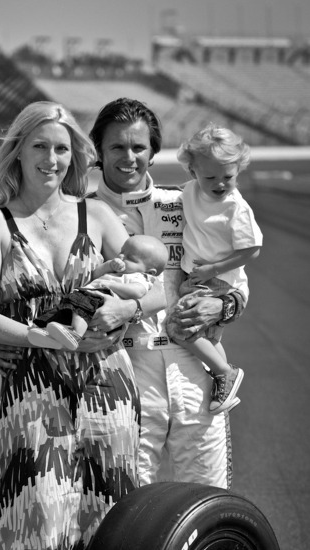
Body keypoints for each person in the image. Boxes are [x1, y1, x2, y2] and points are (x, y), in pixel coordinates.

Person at [0, 101, 163, 550]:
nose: (54, 160)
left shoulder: (96, 213)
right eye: (41, 147)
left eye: (64, 150)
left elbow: (161, 281)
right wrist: (32, 337)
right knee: (37, 525)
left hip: (107, 392)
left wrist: (127, 311)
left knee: (102, 525)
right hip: (33, 393)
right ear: (17, 151)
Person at [83, 97, 250, 488]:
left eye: (138, 147)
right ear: (99, 152)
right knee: (127, 505)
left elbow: (237, 281)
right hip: (123, 369)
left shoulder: (186, 202)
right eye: (117, 147)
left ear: (153, 152)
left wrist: (222, 305)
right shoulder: (80, 214)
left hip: (195, 368)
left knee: (208, 498)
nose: (129, 157)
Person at [165, 124, 262, 414]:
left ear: (238, 169)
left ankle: (224, 372)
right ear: (192, 171)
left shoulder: (235, 207)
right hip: (196, 279)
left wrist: (214, 269)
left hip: (217, 281)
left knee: (178, 327)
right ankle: (224, 378)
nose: (220, 183)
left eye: (228, 177)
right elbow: (175, 196)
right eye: (211, 177)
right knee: (204, 338)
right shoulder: (192, 190)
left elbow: (252, 249)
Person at [27, 233, 168, 350]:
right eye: (121, 252)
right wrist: (108, 266)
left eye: (130, 258)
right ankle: (42, 330)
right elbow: (95, 275)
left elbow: (136, 292)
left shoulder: (142, 277)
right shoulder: (117, 270)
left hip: (104, 299)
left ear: (150, 271)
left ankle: (75, 333)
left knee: (82, 308)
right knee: (65, 308)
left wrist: (111, 285)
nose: (121, 258)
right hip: (88, 294)